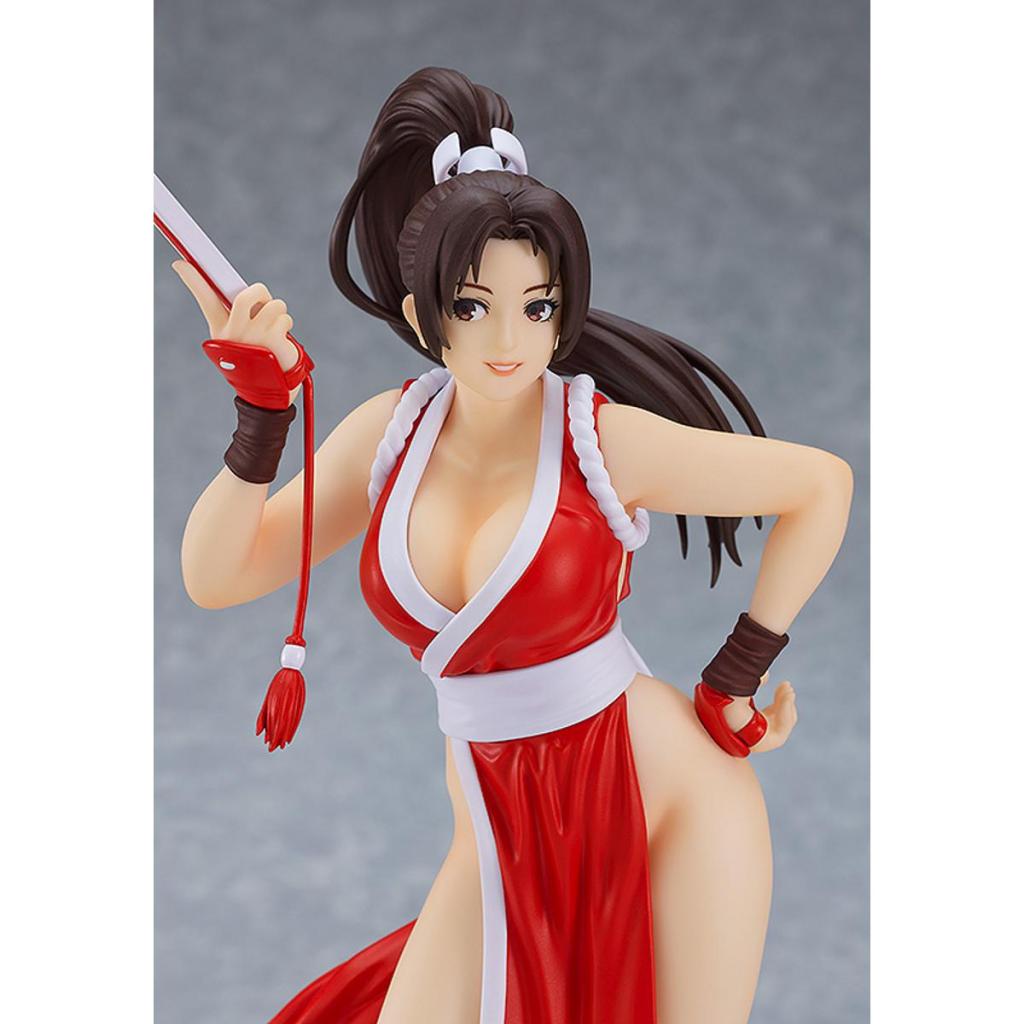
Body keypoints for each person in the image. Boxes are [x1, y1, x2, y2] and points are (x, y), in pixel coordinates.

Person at [171, 66, 852, 1024]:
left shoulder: (598, 439)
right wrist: (262, 413)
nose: (509, 339)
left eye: (536, 306)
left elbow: (820, 485)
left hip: (669, 804)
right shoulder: (389, 437)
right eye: (471, 305)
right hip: (497, 838)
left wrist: (734, 677)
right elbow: (218, 575)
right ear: (421, 315)